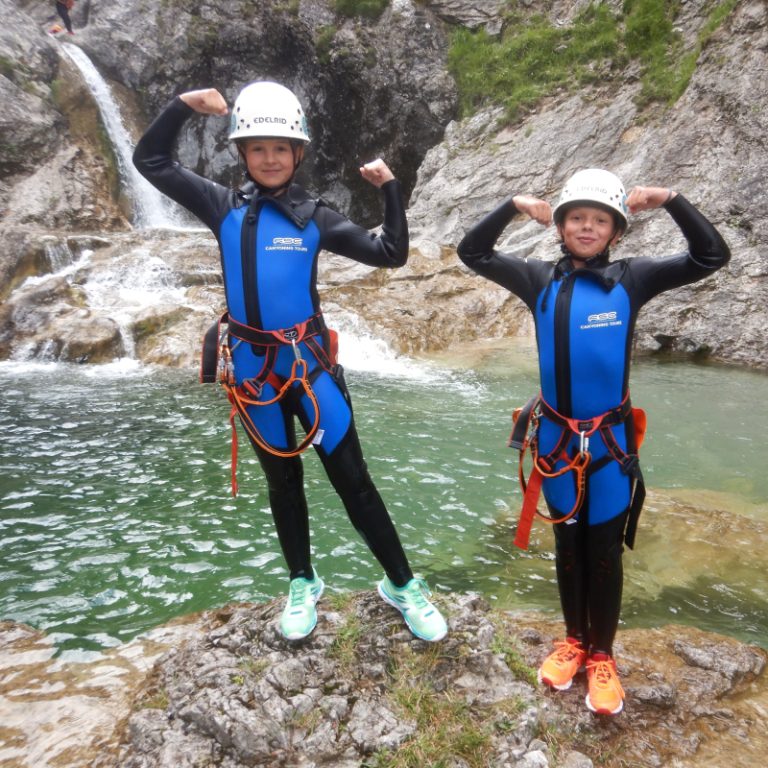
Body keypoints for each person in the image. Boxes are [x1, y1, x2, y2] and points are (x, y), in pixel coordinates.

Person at [133, 81, 448, 644]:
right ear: (242, 154)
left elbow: (391, 254)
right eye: (258, 148)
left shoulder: (315, 217)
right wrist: (182, 106)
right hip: (253, 371)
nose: (271, 157)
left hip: (310, 370)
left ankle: (401, 584)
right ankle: (303, 581)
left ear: (298, 153)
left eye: (281, 147)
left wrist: (392, 189)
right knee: (283, 484)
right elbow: (150, 160)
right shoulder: (220, 205)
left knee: (355, 482)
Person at [457, 169, 730, 715]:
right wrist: (513, 205)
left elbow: (710, 256)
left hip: (608, 444)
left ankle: (602, 655)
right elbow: (473, 252)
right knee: (567, 547)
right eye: (576, 217)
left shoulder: (633, 279)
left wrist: (670, 199)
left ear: (616, 231)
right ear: (560, 226)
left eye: (598, 220)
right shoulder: (538, 279)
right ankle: (573, 641)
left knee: (603, 553)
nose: (586, 227)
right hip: (556, 440)